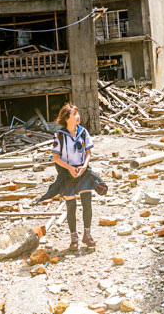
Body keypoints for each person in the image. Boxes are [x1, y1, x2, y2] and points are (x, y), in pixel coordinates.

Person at [36, 103, 107, 250]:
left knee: (87, 204)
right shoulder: (60, 136)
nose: (78, 116)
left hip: (83, 172)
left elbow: (88, 153)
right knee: (71, 206)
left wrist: (84, 166)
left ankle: (87, 235)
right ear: (67, 118)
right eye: (74, 114)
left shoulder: (83, 132)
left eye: (78, 113)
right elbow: (55, 157)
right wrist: (69, 168)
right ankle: (73, 238)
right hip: (67, 174)